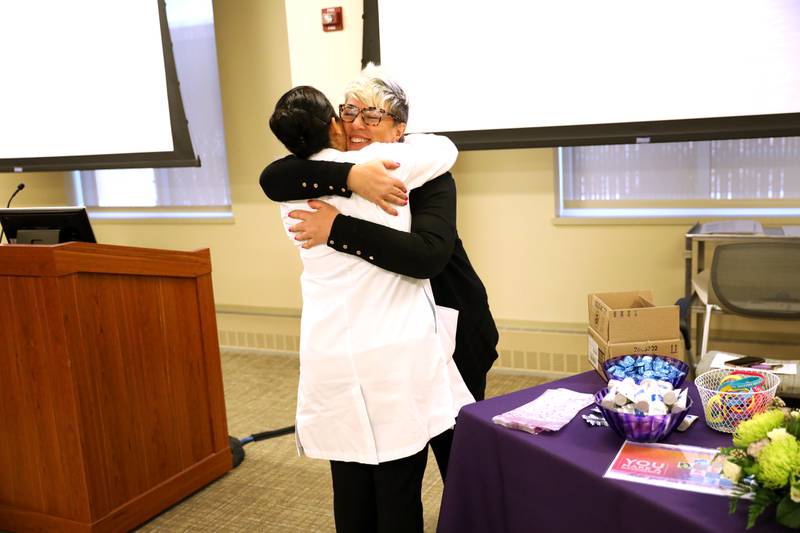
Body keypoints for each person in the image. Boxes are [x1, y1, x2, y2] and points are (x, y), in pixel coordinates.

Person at [260, 65, 499, 479]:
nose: (356, 124)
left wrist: (336, 228)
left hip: (454, 325)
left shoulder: (425, 171)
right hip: (396, 339)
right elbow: (273, 177)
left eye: (371, 117)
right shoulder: (334, 170)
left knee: (459, 462)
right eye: (349, 112)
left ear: (398, 129)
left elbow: (425, 256)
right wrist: (351, 176)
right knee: (394, 462)